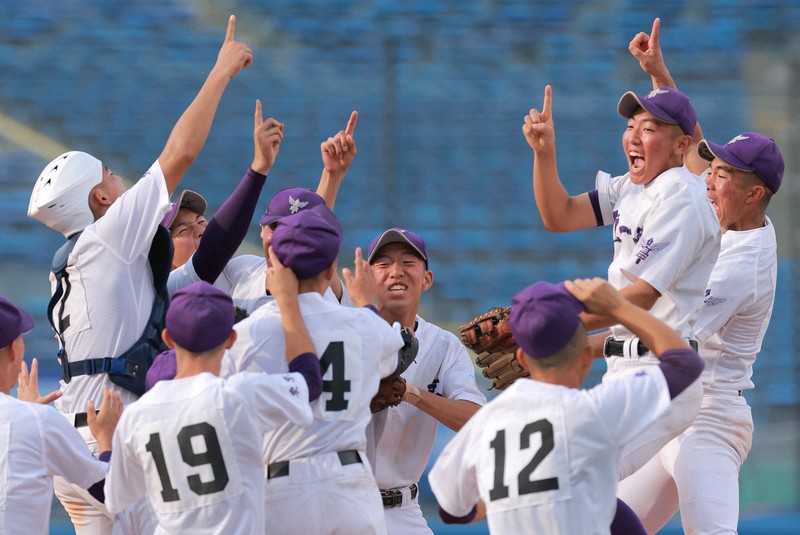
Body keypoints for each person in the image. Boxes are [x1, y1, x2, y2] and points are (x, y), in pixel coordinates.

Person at [26, 14, 252, 534]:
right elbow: (181, 153)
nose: (119, 179)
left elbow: (200, 266)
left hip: (76, 443)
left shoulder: (78, 261)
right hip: (111, 438)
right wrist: (220, 72)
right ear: (100, 199)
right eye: (109, 175)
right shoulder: (108, 236)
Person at [615, 19, 785, 534]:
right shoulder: (733, 216)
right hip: (670, 406)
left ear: (754, 193)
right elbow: (690, 150)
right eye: (713, 168)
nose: (709, 179)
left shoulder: (743, 262)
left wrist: (567, 337)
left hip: (709, 418)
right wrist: (659, 75)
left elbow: (666, 327)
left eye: (723, 173)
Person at [522, 78, 720, 479]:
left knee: (574, 477)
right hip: (625, 367)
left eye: (649, 128)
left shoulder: (681, 196)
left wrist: (553, 329)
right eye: (631, 126)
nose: (634, 136)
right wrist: (544, 154)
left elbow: (642, 296)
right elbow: (559, 215)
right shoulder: (630, 186)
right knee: (590, 490)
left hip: (662, 371)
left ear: (682, 145)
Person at [428, 278, 705, 535]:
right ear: (586, 357)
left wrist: (514, 495)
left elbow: (452, 512)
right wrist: (620, 308)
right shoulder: (594, 411)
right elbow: (685, 364)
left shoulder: (486, 422)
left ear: (522, 359)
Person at [221, 207, 408, 534]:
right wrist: (367, 304)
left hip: (284, 486)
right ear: (331, 268)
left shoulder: (249, 333)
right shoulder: (364, 324)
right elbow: (392, 358)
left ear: (274, 264)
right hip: (351, 484)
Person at [104, 260, 323, 533]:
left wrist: (105, 443)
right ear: (230, 340)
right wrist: (288, 303)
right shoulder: (239, 394)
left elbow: (115, 499)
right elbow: (309, 383)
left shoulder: (136, 415)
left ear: (168, 339)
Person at [365, 227, 487, 534]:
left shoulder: (444, 345)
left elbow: (476, 420)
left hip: (404, 509)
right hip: (344, 502)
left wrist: (411, 393)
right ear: (367, 278)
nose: (396, 271)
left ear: (427, 279)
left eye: (408, 262)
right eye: (383, 264)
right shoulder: (345, 334)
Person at [0, 294, 122, 534]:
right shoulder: (37, 420)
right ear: (14, 350)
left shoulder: (32, 418)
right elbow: (111, 494)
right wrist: (105, 440)